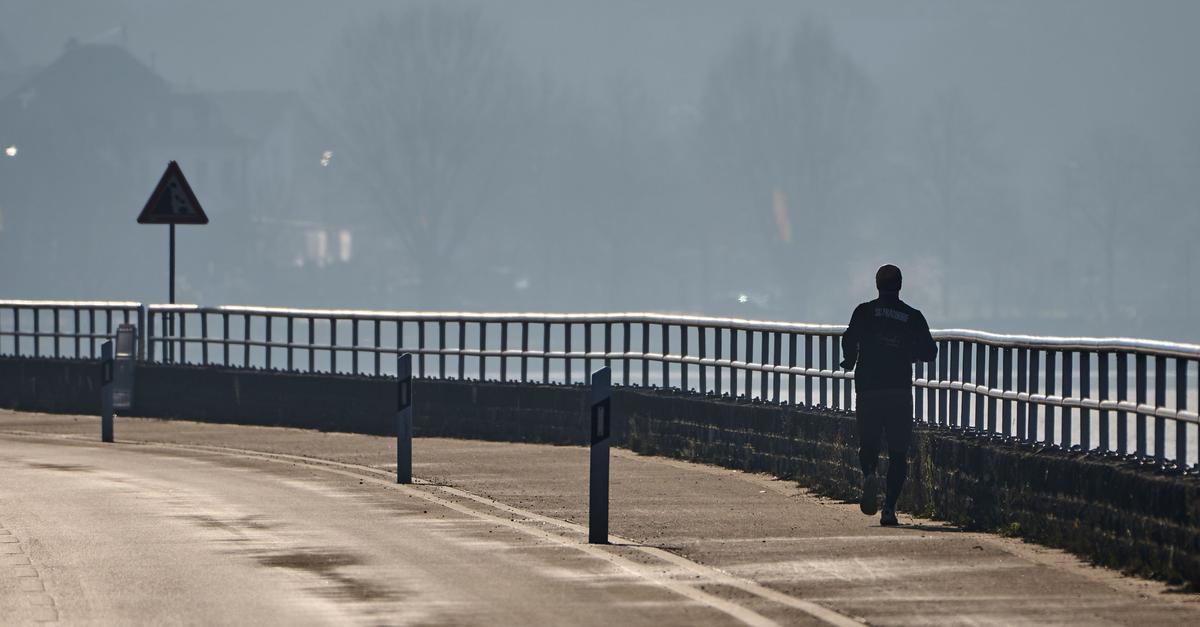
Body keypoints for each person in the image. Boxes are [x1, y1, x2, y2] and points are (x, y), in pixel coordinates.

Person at [839, 264, 937, 526]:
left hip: (869, 389)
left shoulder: (864, 311)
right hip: (898, 391)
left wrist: (850, 360)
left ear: (877, 285)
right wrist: (912, 353)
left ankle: (869, 473)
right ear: (900, 285)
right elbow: (930, 352)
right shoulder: (912, 316)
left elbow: (848, 339)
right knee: (897, 452)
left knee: (868, 443)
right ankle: (889, 508)